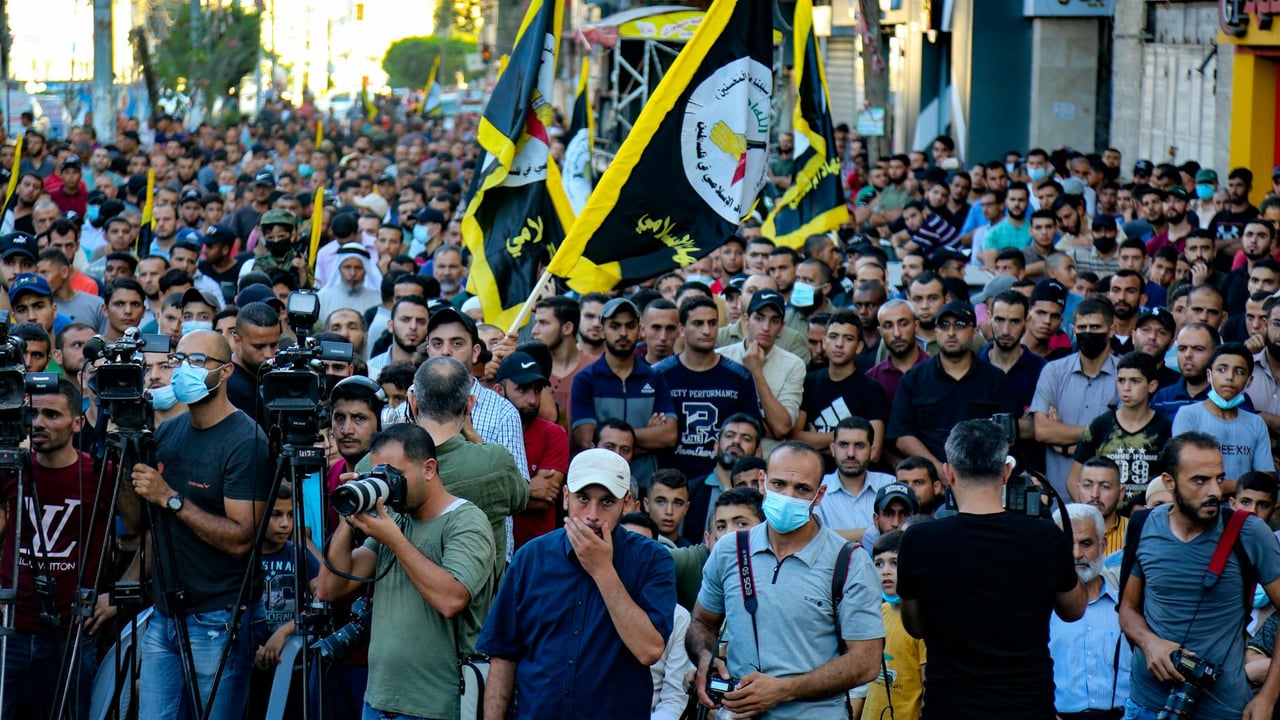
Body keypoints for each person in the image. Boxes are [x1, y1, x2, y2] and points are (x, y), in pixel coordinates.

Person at [898, 419, 1085, 718]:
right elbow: (1074, 609)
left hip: (950, 707)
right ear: (1006, 472)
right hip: (1027, 708)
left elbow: (914, 626)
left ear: (948, 473)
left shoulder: (919, 541)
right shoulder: (1043, 537)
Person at [130, 330, 272, 720]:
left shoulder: (247, 442)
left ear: (225, 372)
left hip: (218, 617)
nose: (182, 370)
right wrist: (124, 456)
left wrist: (172, 499)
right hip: (165, 610)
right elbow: (138, 518)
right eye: (180, 360)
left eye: (197, 362)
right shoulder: (169, 432)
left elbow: (243, 539)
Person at [688, 441, 884, 719]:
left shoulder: (849, 562)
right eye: (779, 484)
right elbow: (702, 622)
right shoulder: (729, 549)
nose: (788, 496)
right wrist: (706, 659)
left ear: (819, 495)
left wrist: (784, 690)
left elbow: (865, 662)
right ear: (762, 482)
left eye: (802, 489)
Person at [478, 448, 676, 719]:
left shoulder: (653, 560)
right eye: (583, 498)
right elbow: (503, 656)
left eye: (607, 502)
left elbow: (649, 650)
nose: (592, 515)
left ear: (627, 503)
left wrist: (603, 571)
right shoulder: (531, 558)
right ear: (566, 497)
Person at [317, 423, 497, 720]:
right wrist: (349, 520)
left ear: (428, 469)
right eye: (378, 476)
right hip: (378, 700)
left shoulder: (465, 521)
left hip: (435, 707)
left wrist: (394, 540)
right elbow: (329, 588)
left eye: (393, 475)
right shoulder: (395, 522)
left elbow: (451, 599)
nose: (386, 485)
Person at [1118, 432, 1280, 720]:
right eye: (1200, 480)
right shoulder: (1143, 526)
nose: (1215, 492)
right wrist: (1148, 642)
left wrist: (1268, 697)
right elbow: (1128, 608)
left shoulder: (1250, 532)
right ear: (1169, 482)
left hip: (1222, 709)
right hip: (1145, 705)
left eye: (1219, 478)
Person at [0, 379, 131, 720]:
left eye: (51, 414)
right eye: (32, 413)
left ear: (77, 422)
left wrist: (115, 596)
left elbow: (148, 535)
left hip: (72, 634)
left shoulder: (101, 473)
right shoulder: (10, 468)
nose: (38, 422)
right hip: (11, 630)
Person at [411, 357, 528, 566]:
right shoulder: (496, 462)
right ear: (470, 405)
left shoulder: (376, 466)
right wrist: (474, 436)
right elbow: (520, 498)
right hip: (481, 593)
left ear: (413, 403)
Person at [888, 300, 1009, 475]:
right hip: (930, 482)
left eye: (959, 325)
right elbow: (902, 437)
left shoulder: (996, 380)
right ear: (936, 331)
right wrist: (939, 471)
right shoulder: (913, 379)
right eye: (944, 325)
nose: (951, 333)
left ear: (975, 332)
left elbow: (1006, 437)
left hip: (982, 478)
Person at [570, 297, 677, 488]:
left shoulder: (654, 377)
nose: (623, 333)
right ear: (602, 331)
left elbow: (668, 435)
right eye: (615, 326)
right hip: (600, 484)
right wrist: (647, 435)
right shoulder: (586, 380)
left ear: (640, 329)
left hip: (646, 486)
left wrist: (610, 444)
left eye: (630, 325)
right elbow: (586, 441)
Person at [654, 296, 760, 480]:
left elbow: (752, 430)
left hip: (722, 480)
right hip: (670, 480)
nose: (707, 330)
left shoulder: (739, 376)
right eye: (698, 323)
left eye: (712, 323)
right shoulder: (659, 374)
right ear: (681, 329)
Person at [1047, 503, 1130, 719]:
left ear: (1102, 545)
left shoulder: (1127, 607)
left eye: (1086, 544)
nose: (1076, 554)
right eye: (1067, 543)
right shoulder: (1040, 610)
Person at [1030, 297, 1121, 495]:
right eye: (1082, 327)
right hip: (1057, 500)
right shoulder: (1053, 371)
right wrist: (1099, 431)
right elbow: (1042, 430)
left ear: (1112, 329)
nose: (1088, 333)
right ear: (1073, 330)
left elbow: (1122, 437)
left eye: (1096, 327)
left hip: (1107, 499)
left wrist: (1064, 444)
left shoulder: (1125, 375)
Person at [1068, 351, 1172, 508]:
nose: (1126, 388)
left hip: (1145, 519)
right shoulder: (1100, 426)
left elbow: (1172, 480)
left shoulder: (1165, 429)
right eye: (1121, 381)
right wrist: (1091, 512)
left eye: (1135, 381)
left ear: (1152, 386)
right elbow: (1073, 479)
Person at [492, 351, 569, 549]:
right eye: (523, 390)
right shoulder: (486, 430)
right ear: (499, 390)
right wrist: (527, 490)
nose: (532, 400)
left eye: (537, 390)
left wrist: (495, 497)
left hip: (539, 552)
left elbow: (546, 498)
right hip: (493, 550)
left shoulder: (554, 434)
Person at [792, 310, 889, 463]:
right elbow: (795, 440)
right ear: (824, 342)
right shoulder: (809, 382)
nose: (839, 344)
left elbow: (873, 453)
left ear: (859, 347)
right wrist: (851, 441)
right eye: (833, 336)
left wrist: (816, 442)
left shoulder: (871, 389)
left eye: (848, 338)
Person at [1172, 343, 1275, 480]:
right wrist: (1241, 486)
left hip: (1243, 501)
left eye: (1239, 372)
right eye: (1221, 370)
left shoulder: (1256, 423)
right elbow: (1185, 473)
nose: (1229, 377)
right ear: (1209, 375)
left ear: (1249, 381)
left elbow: (1266, 478)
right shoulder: (1188, 415)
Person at [862, 529, 926, 720]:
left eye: (895, 563)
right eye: (879, 564)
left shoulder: (920, 624)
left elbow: (927, 687)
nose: (886, 571)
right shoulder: (876, 613)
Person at [680, 413, 763, 546]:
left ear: (758, 453)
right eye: (729, 436)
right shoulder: (691, 490)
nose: (736, 441)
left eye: (746, 438)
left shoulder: (765, 493)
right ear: (716, 446)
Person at [815, 416, 895, 541]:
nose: (851, 453)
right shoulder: (816, 488)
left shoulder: (890, 484)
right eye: (843, 445)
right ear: (833, 449)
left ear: (871, 450)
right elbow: (813, 538)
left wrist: (829, 536)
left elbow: (899, 533)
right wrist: (878, 531)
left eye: (859, 446)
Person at [225, 301, 282, 428]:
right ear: (237, 341)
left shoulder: (272, 376)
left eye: (274, 345)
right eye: (259, 346)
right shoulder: (228, 387)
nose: (268, 354)